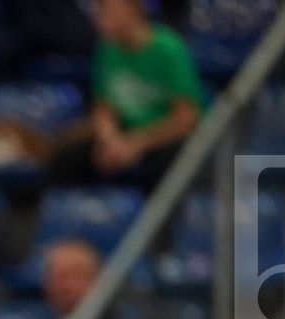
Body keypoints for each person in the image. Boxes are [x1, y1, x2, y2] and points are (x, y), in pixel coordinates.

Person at [50, 0, 205, 184]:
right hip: (125, 133)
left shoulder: (169, 48)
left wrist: (134, 145)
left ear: (130, 11)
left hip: (160, 137)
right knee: (67, 154)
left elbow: (185, 118)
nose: (97, 19)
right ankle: (81, 209)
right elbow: (104, 108)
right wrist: (109, 139)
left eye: (105, 11)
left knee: (176, 158)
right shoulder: (107, 49)